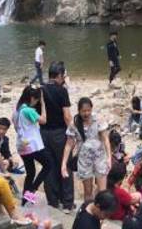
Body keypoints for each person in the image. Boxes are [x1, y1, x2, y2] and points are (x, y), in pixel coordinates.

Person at [63, 97, 111, 203]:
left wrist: (109, 158)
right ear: (79, 111)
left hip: (100, 158)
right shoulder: (74, 124)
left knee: (102, 192)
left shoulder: (98, 120)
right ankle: (88, 210)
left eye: (88, 110)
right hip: (84, 160)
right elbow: (68, 145)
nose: (86, 113)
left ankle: (99, 210)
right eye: (83, 111)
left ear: (91, 109)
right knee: (88, 192)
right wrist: (63, 164)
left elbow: (105, 139)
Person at [41, 61, 74, 212]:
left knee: (49, 167)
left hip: (43, 133)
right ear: (59, 75)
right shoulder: (62, 91)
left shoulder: (41, 89)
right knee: (65, 165)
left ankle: (53, 201)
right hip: (59, 133)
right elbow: (67, 116)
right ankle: (67, 203)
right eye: (64, 75)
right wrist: (73, 133)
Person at [13, 85, 51, 204]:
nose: (37, 102)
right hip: (32, 146)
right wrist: (43, 104)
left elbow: (16, 126)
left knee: (30, 173)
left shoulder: (17, 110)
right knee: (48, 165)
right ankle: (32, 191)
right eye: (37, 99)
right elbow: (44, 120)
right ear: (32, 98)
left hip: (21, 145)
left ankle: (25, 201)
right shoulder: (28, 111)